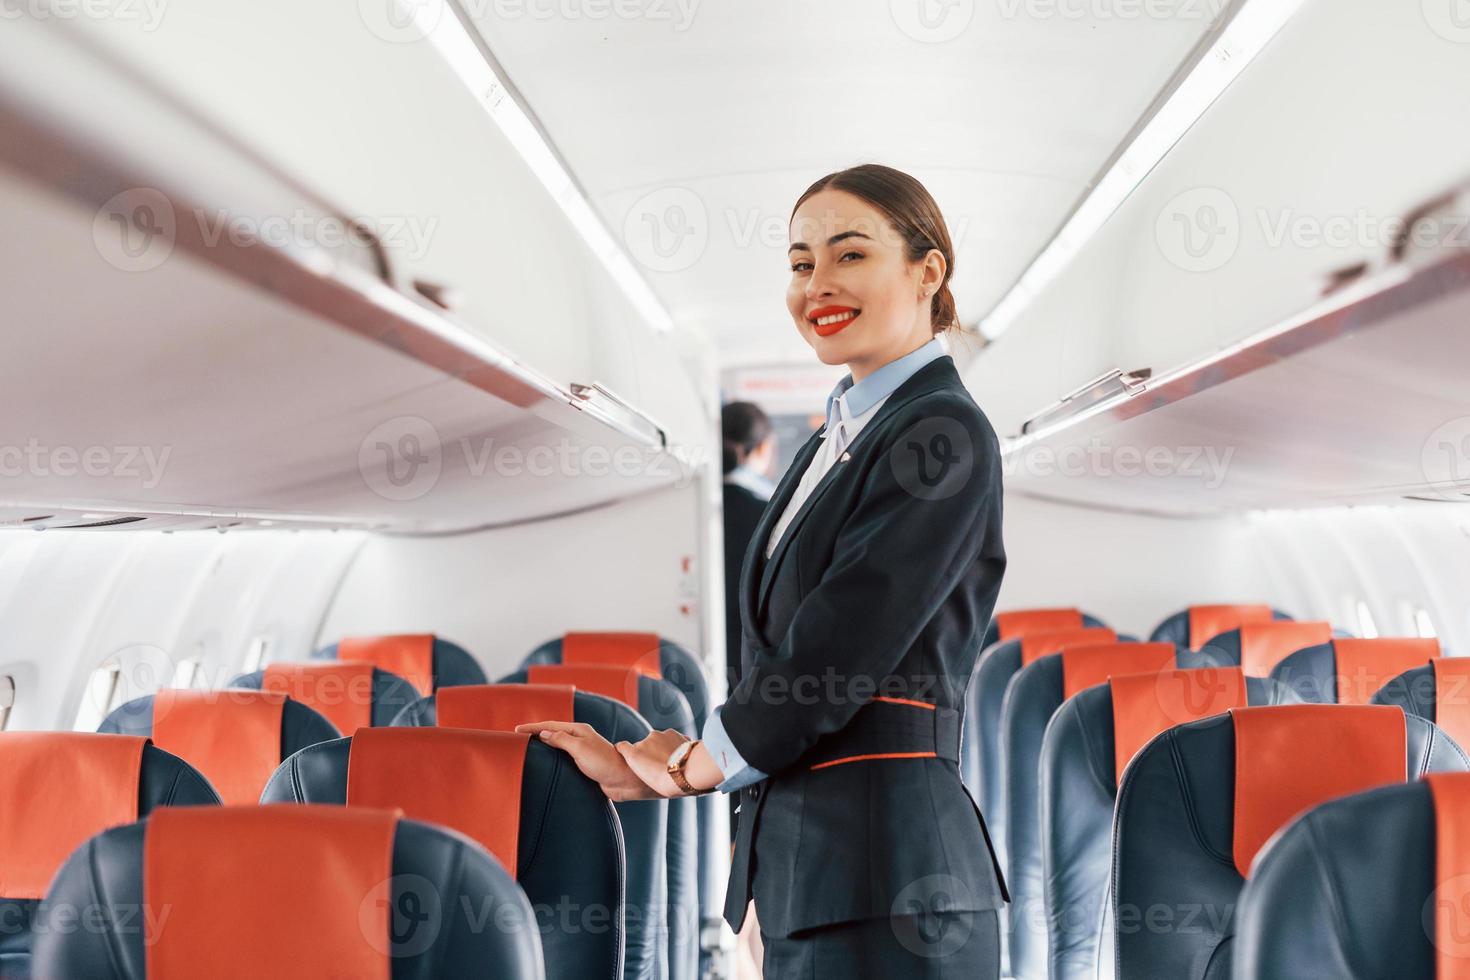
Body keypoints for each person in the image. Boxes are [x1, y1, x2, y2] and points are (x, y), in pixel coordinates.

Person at [520, 163, 1008, 978]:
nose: (817, 284)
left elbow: (836, 649)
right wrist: (654, 770)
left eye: (849, 255)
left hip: (893, 885)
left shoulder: (941, 434)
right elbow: (785, 658)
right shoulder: (836, 438)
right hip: (812, 876)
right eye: (800, 262)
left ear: (930, 271)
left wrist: (683, 770)